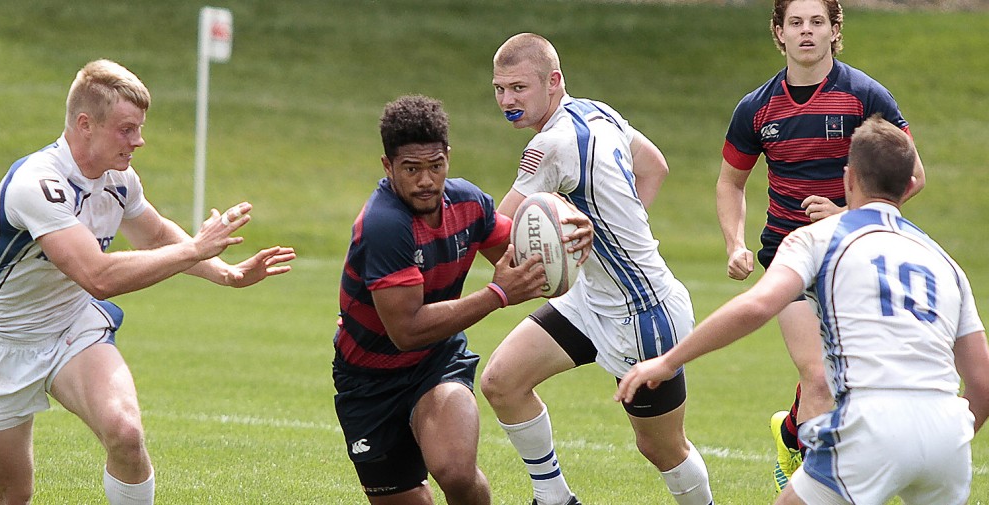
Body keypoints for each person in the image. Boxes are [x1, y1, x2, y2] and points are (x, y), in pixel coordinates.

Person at [0, 59, 296, 505]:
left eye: (139, 128)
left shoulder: (120, 179)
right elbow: (98, 277)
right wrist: (197, 248)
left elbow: (155, 234)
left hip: (71, 327)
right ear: (86, 124)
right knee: (12, 496)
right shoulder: (37, 184)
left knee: (126, 432)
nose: (138, 140)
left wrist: (227, 274)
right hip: (1, 345)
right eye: (127, 129)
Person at [618, 115, 989, 504]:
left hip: (871, 422)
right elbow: (981, 384)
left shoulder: (820, 238)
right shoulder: (945, 262)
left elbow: (758, 305)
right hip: (948, 434)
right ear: (911, 184)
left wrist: (667, 361)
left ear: (849, 179)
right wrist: (943, 437)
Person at [480, 33, 714, 505]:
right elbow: (655, 167)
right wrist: (605, 237)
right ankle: (555, 499)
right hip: (591, 299)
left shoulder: (549, 147)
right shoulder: (597, 111)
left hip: (643, 314)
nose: (507, 100)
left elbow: (498, 235)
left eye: (519, 88)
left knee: (661, 447)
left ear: (553, 81)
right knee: (502, 381)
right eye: (499, 88)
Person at [332, 94, 590, 505]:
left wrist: (572, 238)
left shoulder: (468, 203)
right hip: (368, 382)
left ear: (448, 157)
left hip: (436, 364)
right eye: (411, 169)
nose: (426, 181)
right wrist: (497, 294)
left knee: (454, 468)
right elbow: (406, 330)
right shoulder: (384, 225)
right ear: (388, 166)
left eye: (436, 166)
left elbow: (524, 254)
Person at [715, 0, 927, 490]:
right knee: (819, 377)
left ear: (835, 31)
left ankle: (790, 431)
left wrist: (850, 216)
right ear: (779, 33)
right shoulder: (756, 107)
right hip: (787, 255)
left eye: (817, 22)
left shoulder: (865, 96)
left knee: (856, 377)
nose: (806, 32)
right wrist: (734, 244)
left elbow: (913, 176)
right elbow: (730, 183)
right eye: (796, 23)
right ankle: (810, 488)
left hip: (852, 255)